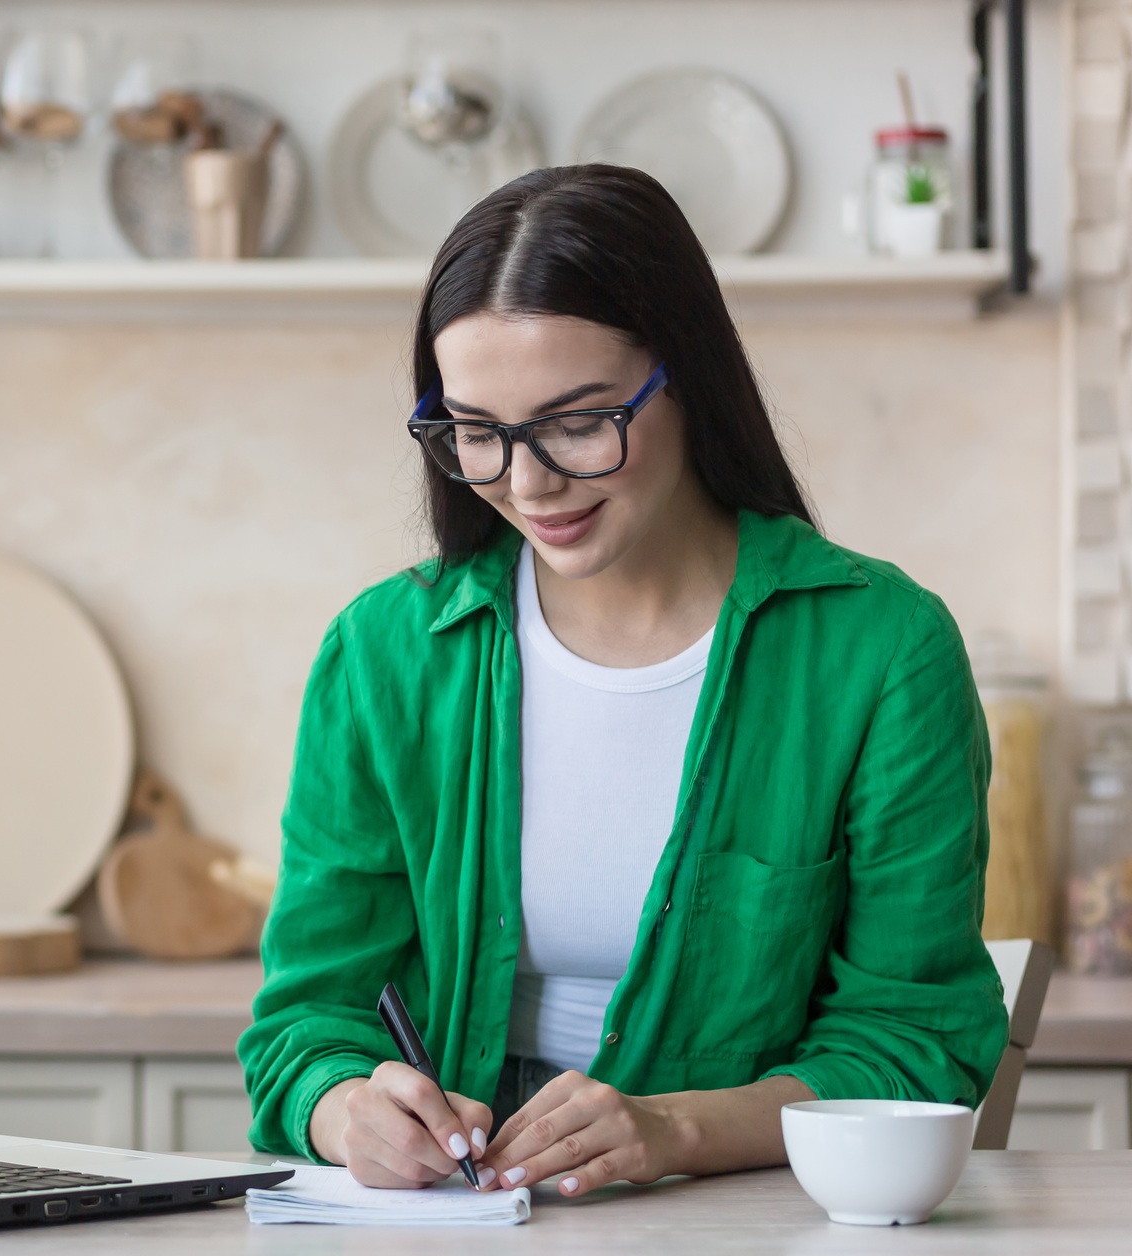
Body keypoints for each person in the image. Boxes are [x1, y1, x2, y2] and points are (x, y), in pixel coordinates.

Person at [237, 165, 1008, 1197]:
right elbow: (301, 1023)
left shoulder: (878, 649)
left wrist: (675, 1131)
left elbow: (917, 1042)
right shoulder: (383, 652)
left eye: (575, 422)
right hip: (455, 1217)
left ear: (684, 376)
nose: (526, 481)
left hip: (745, 1199)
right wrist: (345, 1110)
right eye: (475, 431)